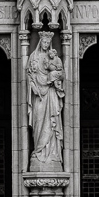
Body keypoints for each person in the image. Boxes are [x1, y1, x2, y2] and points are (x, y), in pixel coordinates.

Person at [27, 31, 65, 168]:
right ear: (40, 42)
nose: (45, 44)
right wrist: (34, 87)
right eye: (44, 42)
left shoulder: (54, 58)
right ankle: (38, 151)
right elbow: (29, 77)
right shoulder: (34, 56)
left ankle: (53, 154)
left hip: (51, 93)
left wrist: (55, 75)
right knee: (39, 122)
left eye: (48, 43)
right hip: (38, 95)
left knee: (51, 121)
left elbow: (62, 75)